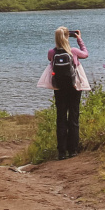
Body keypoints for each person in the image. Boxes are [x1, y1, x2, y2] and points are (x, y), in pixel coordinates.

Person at [37, 26, 89, 159]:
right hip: (74, 87)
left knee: (61, 118)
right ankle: (73, 150)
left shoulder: (52, 52)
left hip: (59, 88)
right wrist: (79, 40)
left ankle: (61, 152)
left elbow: (50, 60)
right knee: (73, 117)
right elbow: (86, 54)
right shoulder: (74, 51)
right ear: (68, 36)